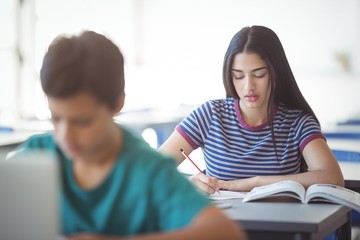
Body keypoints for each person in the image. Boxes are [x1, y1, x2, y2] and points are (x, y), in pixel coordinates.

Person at [15, 31, 246, 240]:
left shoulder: (148, 170)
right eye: (56, 118)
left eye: (82, 121)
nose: (65, 136)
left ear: (117, 103)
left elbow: (226, 233)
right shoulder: (37, 155)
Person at [159, 25, 344, 195]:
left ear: (276, 72)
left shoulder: (297, 122)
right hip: (222, 226)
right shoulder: (210, 115)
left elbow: (332, 177)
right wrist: (188, 183)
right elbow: (152, 171)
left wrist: (255, 182)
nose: (248, 86)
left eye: (259, 75)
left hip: (280, 226)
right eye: (238, 76)